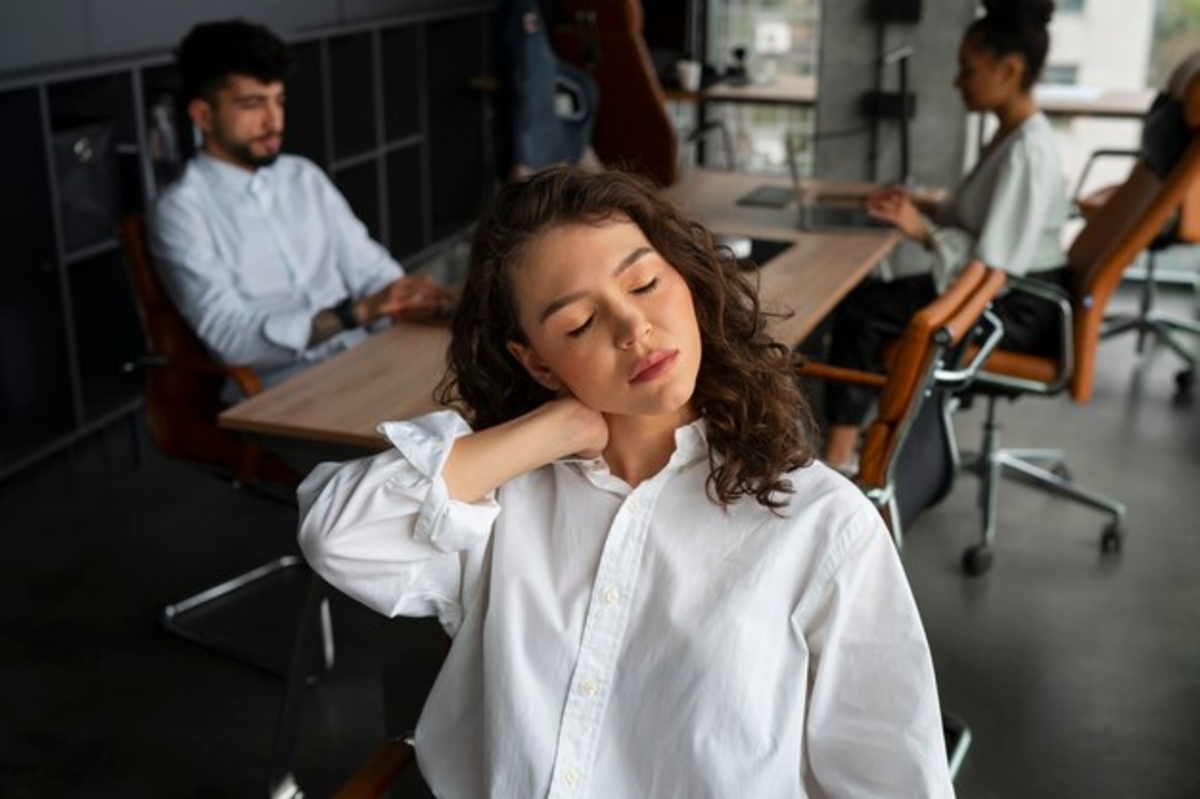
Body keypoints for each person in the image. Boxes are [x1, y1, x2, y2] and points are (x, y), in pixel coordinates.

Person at [297, 166, 955, 798]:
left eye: (644, 284)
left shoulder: (821, 523)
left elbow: (894, 777)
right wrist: (554, 430)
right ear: (537, 361)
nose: (633, 328)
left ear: (687, 280)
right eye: (579, 324)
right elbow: (337, 534)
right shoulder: (502, 499)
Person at [822, 0, 1070, 471]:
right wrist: (923, 206)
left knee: (860, 312)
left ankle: (839, 459)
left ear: (1010, 69)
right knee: (866, 302)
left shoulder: (1028, 154)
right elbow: (980, 217)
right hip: (1007, 291)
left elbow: (991, 266)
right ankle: (852, 444)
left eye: (967, 70)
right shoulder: (1010, 136)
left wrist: (923, 230)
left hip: (1018, 306)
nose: (957, 81)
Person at [149, 19, 453, 400]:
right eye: (252, 104)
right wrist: (354, 314)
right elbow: (230, 338)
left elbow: (372, 272)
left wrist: (411, 298)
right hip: (283, 389)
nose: (274, 121)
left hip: (366, 357)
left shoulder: (302, 176)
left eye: (278, 101)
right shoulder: (181, 210)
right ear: (203, 116)